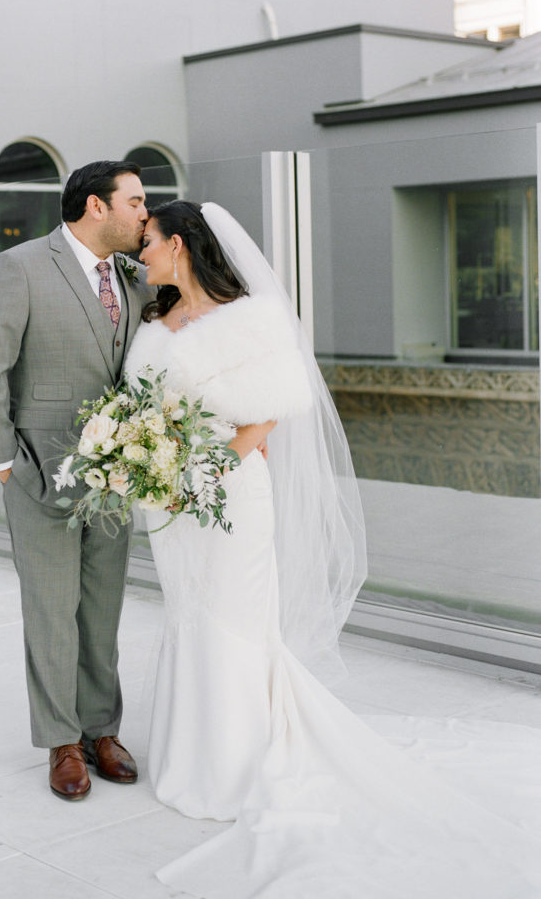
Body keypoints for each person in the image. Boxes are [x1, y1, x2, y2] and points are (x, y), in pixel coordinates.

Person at [123, 199, 541, 898]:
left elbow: (268, 415)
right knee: (187, 614)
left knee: (232, 618)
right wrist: (154, 471)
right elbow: (142, 410)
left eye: (149, 241)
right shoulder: (154, 322)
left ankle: (237, 763)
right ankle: (189, 756)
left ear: (180, 246)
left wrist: (209, 473)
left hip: (228, 491)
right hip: (172, 502)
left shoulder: (248, 318)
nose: (141, 253)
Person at [0, 159, 154, 801]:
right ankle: (62, 742)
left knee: (102, 608)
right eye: (135, 201)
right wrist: (3, 460)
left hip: (119, 471)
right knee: (50, 610)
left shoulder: (133, 275)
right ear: (96, 206)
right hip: (41, 470)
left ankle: (103, 729)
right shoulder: (17, 268)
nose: (143, 213)